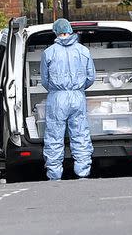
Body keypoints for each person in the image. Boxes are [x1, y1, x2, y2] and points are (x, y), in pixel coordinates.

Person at [40, 18, 96, 180]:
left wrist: (57, 90)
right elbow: (91, 77)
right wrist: (78, 88)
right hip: (78, 96)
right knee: (80, 134)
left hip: (57, 97)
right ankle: (83, 170)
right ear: (70, 30)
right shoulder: (83, 51)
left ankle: (54, 173)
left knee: (54, 136)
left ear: (56, 32)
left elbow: (45, 79)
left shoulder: (49, 52)